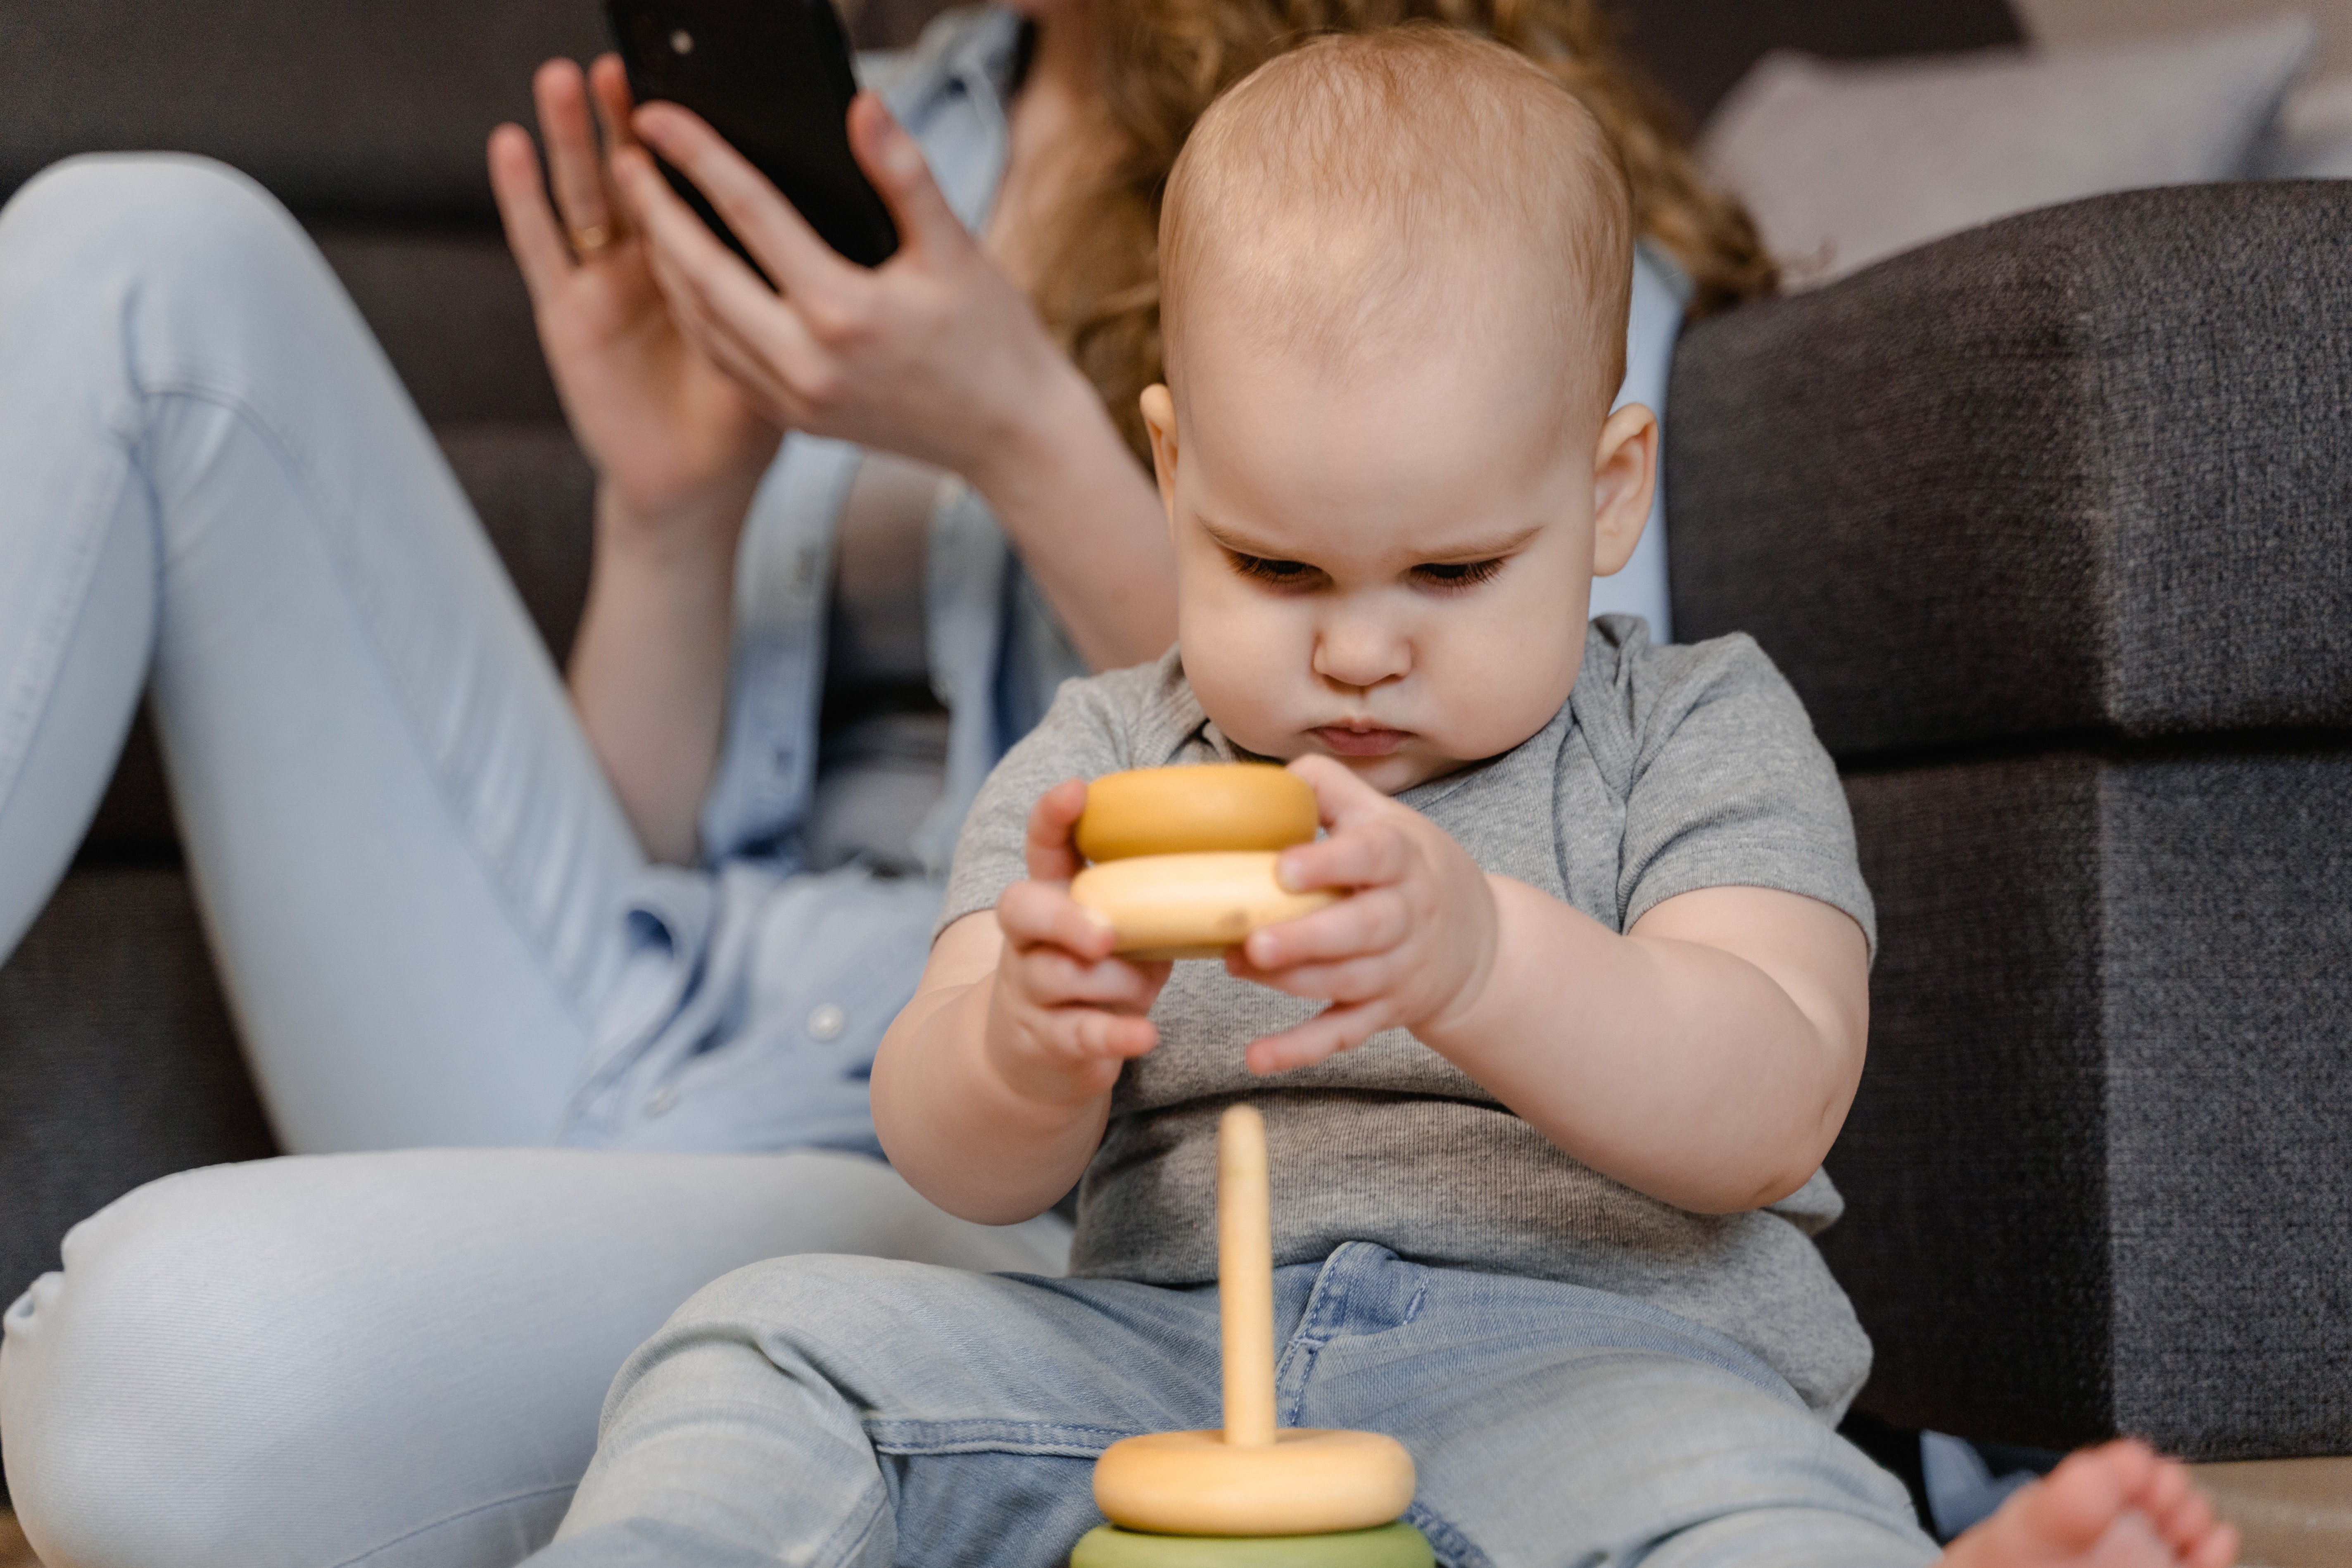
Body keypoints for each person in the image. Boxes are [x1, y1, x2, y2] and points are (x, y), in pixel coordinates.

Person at [0, 5, 1770, 1567]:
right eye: (1265, 554)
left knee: (148, 1386)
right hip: (710, 997)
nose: (1356, 620)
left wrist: (1011, 426)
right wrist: (670, 508)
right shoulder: (886, 125)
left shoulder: (1474, 183)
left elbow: (1465, 760)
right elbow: (639, 833)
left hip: (1004, 1156)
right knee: (138, 249)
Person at [520, 30, 2240, 1568]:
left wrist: (1482, 960)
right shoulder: (1109, 753)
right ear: (1174, 471)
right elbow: (949, 1153)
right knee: (760, 1341)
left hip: (1593, 1362)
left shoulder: (1693, 728)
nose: (1356, 653)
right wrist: (1019, 1044)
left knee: (1739, 1501)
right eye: (1272, 563)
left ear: (1605, 488)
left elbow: (1768, 1097)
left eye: (1448, 567)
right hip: (1160, 1366)